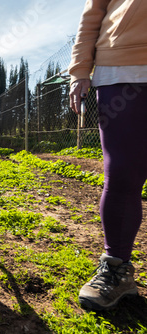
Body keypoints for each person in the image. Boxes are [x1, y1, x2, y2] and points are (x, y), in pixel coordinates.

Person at [68, 0, 147, 311]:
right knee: (123, 174)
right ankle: (116, 268)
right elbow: (92, 15)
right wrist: (79, 70)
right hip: (123, 67)